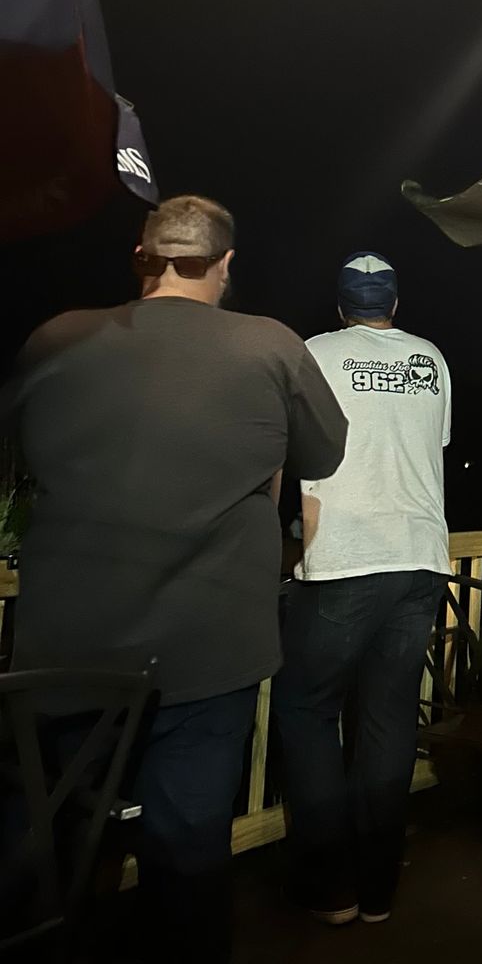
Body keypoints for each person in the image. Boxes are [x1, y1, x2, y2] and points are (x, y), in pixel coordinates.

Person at [5, 196, 347, 962]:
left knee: (45, 836)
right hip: (208, 648)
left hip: (64, 647)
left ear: (141, 257)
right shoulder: (270, 346)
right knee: (187, 849)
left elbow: (23, 457)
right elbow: (324, 457)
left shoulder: (54, 338)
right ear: (225, 265)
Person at [274, 251, 451, 927]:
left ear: (342, 306)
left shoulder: (314, 351)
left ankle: (330, 885)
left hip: (347, 556)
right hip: (420, 556)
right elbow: (432, 448)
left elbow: (291, 450)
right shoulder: (430, 359)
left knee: (304, 706)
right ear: (394, 305)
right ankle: (378, 888)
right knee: (387, 715)